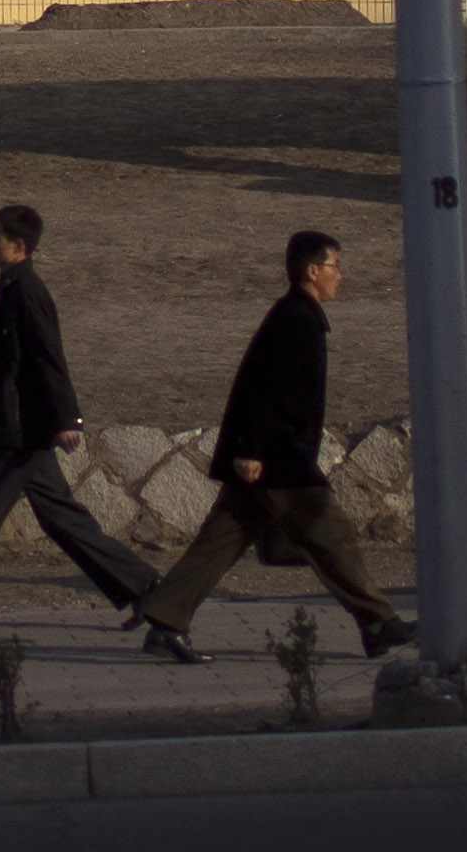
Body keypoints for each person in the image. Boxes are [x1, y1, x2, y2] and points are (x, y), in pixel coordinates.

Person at [135, 231, 418, 664]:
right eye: (334, 265)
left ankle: (166, 623)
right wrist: (251, 451)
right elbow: (265, 391)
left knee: (221, 540)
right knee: (332, 535)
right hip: (276, 460)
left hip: (268, 456)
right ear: (311, 271)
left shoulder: (297, 316)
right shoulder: (297, 322)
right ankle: (380, 624)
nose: (339, 275)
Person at [0, 204, 159, 643]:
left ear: (19, 247)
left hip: (19, 435)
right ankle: (146, 589)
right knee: (66, 523)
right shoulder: (12, 288)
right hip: (18, 432)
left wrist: (68, 420)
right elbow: (3, 358)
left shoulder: (27, 292)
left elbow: (49, 358)